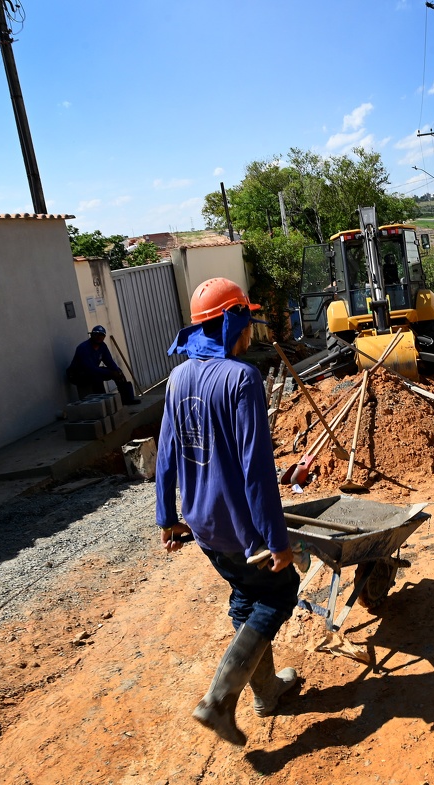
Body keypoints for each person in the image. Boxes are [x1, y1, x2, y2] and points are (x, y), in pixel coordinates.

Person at [155, 277, 299, 746]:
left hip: (201, 525)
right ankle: (219, 701)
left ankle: (267, 691)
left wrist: (166, 517)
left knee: (244, 595)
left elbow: (167, 454)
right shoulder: (241, 378)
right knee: (278, 595)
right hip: (242, 530)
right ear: (232, 322)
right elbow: (257, 470)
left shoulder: (179, 378)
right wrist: (276, 540)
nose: (250, 334)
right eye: (247, 323)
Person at [65, 325, 141, 405]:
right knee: (97, 378)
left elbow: (109, 361)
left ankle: (127, 399)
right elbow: (89, 368)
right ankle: (104, 403)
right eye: (96, 335)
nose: (99, 337)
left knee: (118, 373)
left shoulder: (102, 346)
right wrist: (110, 373)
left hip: (92, 370)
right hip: (77, 374)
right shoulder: (83, 348)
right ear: (92, 335)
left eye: (101, 336)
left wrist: (117, 371)